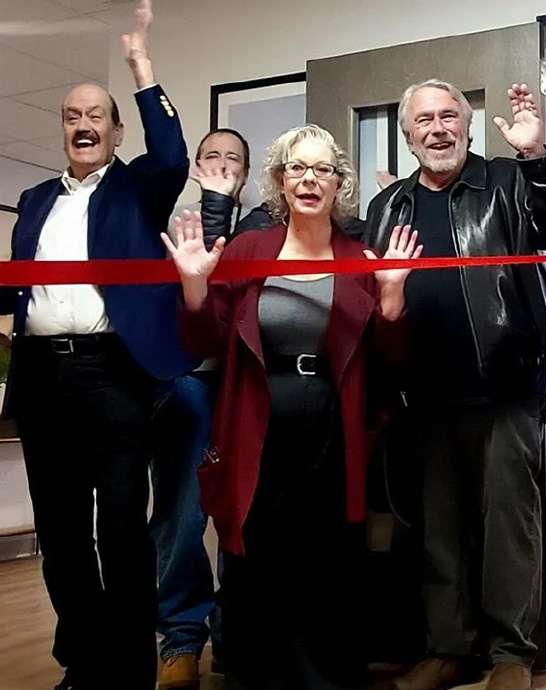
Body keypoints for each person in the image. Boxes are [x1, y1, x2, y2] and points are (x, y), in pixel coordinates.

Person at [164, 124, 419, 690]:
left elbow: (390, 361)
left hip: (335, 426)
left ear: (338, 184)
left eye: (322, 169)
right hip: (257, 427)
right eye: (297, 169)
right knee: (258, 561)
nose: (309, 179)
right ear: (280, 181)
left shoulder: (358, 255)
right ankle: (259, 674)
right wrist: (194, 289)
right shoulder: (249, 249)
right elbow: (203, 342)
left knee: (329, 561)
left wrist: (394, 297)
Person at [0, 1, 196, 687]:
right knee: (59, 537)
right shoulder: (31, 200)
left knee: (118, 528)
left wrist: (142, 67)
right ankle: (82, 665)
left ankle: (129, 668)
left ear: (115, 132)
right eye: (71, 116)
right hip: (42, 380)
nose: (82, 124)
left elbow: (172, 151)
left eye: (95, 116)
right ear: (63, 131)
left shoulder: (139, 188)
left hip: (114, 375)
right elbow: (22, 290)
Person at [364, 80, 546, 690]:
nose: (438, 129)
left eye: (449, 116)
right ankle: (448, 648)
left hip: (505, 387)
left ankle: (511, 655)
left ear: (467, 123)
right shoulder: (389, 208)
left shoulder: (509, 183)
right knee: (439, 532)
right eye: (424, 121)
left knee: (509, 528)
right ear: (409, 136)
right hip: (424, 398)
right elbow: (375, 297)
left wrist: (536, 158)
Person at [152, 125, 252, 689]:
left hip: (245, 385)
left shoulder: (266, 223)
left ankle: (236, 634)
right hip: (187, 384)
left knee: (243, 513)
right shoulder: (173, 223)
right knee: (182, 515)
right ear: (195, 167)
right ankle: (181, 642)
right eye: (211, 156)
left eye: (232, 158)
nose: (221, 164)